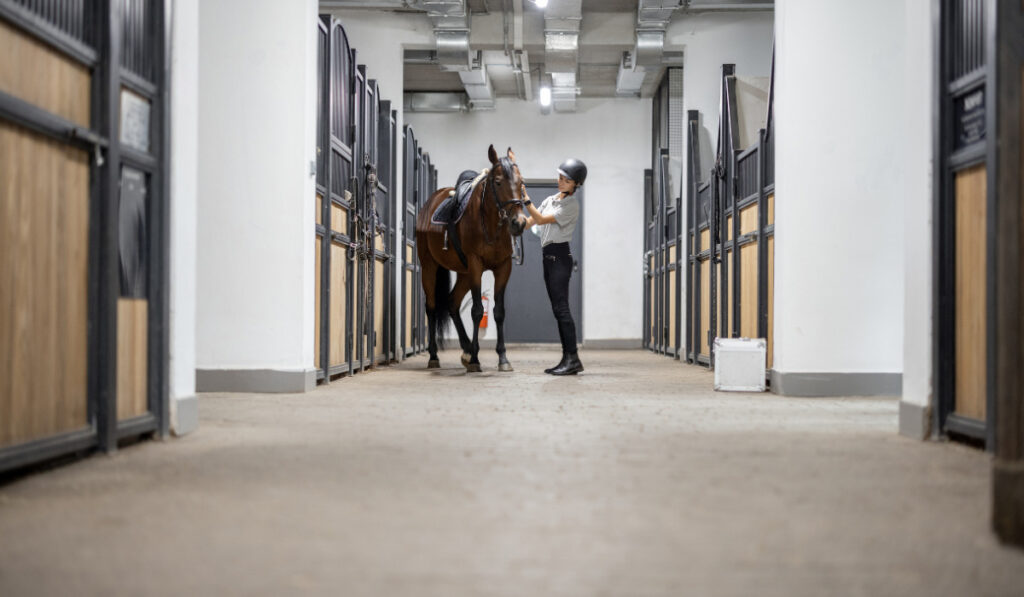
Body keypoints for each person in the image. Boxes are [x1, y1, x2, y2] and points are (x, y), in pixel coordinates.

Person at [520, 158, 587, 375]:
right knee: (558, 310)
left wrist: (526, 200)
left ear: (575, 184)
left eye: (566, 180)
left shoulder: (571, 205)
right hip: (547, 256)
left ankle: (573, 359)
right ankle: (567, 358)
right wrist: (515, 219)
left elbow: (539, 220)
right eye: (559, 178)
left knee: (562, 309)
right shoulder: (551, 199)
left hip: (560, 257)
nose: (560, 182)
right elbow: (531, 222)